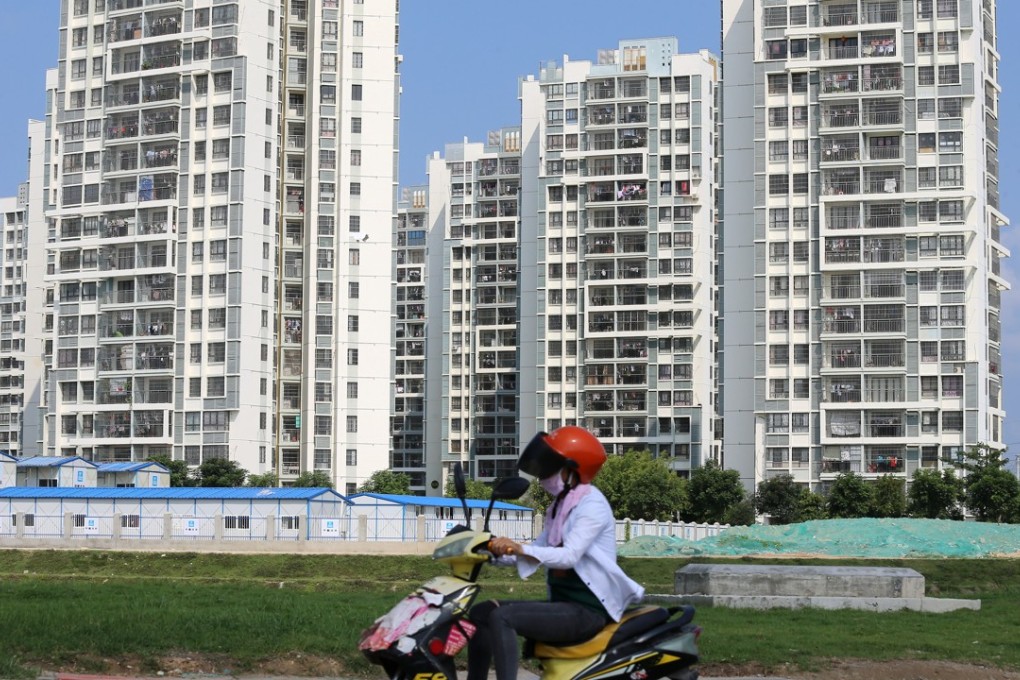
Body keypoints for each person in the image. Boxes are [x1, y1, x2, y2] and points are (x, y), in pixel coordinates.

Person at [466, 426, 645, 680]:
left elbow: (570, 555)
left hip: (588, 610)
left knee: (502, 617)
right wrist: (490, 552)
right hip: (564, 605)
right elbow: (538, 551)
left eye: (551, 468)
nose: (543, 477)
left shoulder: (591, 504)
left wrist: (520, 548)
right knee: (481, 612)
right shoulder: (560, 507)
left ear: (573, 469)